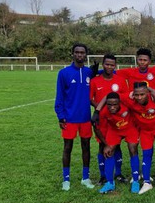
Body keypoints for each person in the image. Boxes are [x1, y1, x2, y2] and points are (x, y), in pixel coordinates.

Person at [54, 43, 95, 191]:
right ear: (72, 54)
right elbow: (59, 96)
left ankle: (86, 178)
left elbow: (107, 72)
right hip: (69, 118)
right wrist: (60, 116)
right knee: (67, 148)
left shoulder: (89, 72)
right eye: (77, 52)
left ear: (86, 55)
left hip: (85, 118)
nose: (79, 55)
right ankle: (66, 180)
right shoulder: (64, 73)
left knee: (86, 147)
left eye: (82, 52)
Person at [122, 82, 155, 195]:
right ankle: (147, 182)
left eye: (142, 94)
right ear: (133, 94)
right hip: (145, 131)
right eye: (136, 95)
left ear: (147, 93)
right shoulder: (130, 100)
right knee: (147, 154)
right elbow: (111, 96)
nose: (139, 97)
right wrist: (97, 111)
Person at [92, 92, 141, 194]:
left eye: (115, 104)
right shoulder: (104, 112)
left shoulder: (126, 103)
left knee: (133, 149)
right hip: (114, 130)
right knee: (108, 152)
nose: (112, 107)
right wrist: (106, 145)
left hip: (130, 128)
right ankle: (110, 183)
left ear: (120, 103)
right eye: (109, 105)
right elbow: (96, 129)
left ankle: (135, 181)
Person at [89, 54, 127, 184]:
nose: (109, 67)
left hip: (116, 119)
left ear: (115, 66)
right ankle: (103, 175)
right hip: (101, 118)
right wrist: (99, 109)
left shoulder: (120, 80)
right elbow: (90, 98)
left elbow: (124, 98)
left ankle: (118, 173)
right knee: (102, 144)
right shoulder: (95, 81)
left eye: (112, 65)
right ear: (103, 65)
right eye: (107, 64)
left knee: (117, 145)